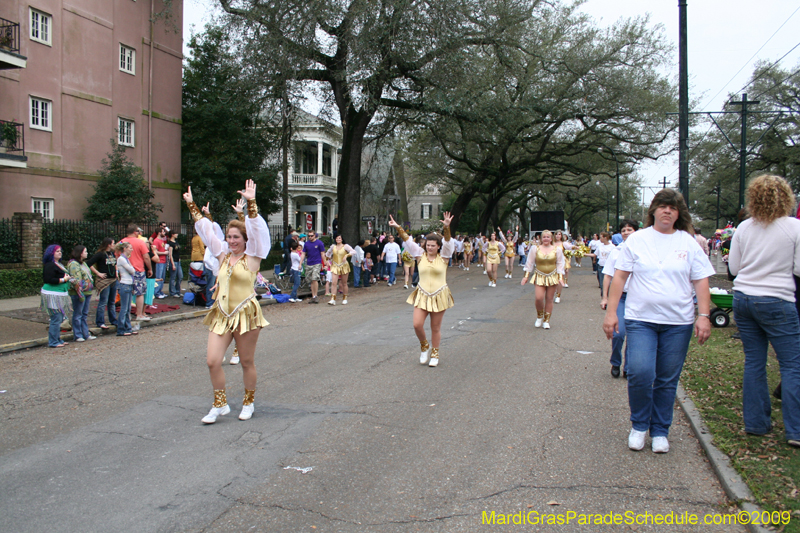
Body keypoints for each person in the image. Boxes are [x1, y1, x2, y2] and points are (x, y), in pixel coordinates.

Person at [603, 189, 714, 454]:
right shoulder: (637, 240)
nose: (667, 211)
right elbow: (620, 277)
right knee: (641, 372)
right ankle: (639, 425)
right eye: (663, 206)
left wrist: (704, 316)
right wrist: (610, 312)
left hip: (679, 322)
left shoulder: (687, 243)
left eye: (673, 208)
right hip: (642, 319)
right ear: (653, 210)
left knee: (666, 378)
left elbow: (701, 281)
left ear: (679, 214)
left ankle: (661, 430)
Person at [184, 180, 271, 424]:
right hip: (222, 313)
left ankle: (248, 401)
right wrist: (193, 207)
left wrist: (251, 204)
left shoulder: (253, 258)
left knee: (246, 362)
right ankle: (219, 404)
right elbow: (207, 232)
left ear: (245, 239)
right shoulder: (222, 256)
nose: (231, 241)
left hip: (246, 313)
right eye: (230, 236)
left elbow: (257, 232)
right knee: (212, 361)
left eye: (236, 237)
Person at [728, 174, 800, 448]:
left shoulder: (745, 228)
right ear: (786, 197)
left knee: (754, 361)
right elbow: (798, 268)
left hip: (745, 298)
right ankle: (795, 430)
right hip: (777, 298)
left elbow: (734, 268)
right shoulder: (794, 228)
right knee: (792, 365)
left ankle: (756, 422)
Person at [389, 212, 454, 367]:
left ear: (438, 247)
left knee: (435, 327)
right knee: (417, 324)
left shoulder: (444, 257)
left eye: (433, 245)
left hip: (439, 294)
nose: (430, 247)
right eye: (428, 245)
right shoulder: (419, 255)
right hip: (423, 294)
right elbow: (407, 240)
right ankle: (424, 345)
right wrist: (398, 227)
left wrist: (446, 227)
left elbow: (448, 242)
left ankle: (435, 353)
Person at [600, 220, 638, 378]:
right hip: (621, 297)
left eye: (630, 229)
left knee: (634, 335)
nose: (627, 232)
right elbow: (608, 275)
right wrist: (605, 297)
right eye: (623, 230)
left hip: (637, 298)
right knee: (618, 333)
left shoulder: (642, 250)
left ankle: (628, 367)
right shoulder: (616, 251)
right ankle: (616, 361)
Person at [520, 230, 565, 329]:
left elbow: (560, 263)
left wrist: (561, 277)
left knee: (549, 299)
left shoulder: (557, 249)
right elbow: (530, 262)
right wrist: (526, 276)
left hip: (552, 276)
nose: (546, 239)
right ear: (541, 238)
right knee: (539, 298)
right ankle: (539, 316)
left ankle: (546, 320)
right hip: (539, 275)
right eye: (544, 237)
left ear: (551, 238)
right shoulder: (535, 248)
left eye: (548, 237)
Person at [120, 224, 153, 322]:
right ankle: (139, 314)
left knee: (127, 293)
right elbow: (146, 257)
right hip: (138, 270)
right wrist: (150, 268)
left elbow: (117, 255)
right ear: (135, 232)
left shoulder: (122, 242)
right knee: (140, 293)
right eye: (138, 231)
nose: (139, 233)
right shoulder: (140, 242)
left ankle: (126, 315)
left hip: (124, 271)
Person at [41, 244, 72, 347]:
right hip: (52, 294)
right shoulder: (50, 265)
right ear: (51, 253)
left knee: (59, 317)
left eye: (60, 251)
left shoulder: (59, 264)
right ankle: (53, 341)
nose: (60, 253)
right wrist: (63, 280)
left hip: (60, 293)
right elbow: (48, 279)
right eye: (57, 251)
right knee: (56, 317)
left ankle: (57, 339)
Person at [87, 237, 117, 330]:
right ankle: (100, 322)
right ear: (108, 244)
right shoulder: (100, 254)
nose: (114, 245)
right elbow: (89, 263)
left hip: (113, 279)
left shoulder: (112, 254)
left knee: (112, 301)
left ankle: (113, 320)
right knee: (103, 301)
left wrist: (116, 272)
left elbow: (114, 264)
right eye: (113, 243)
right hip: (105, 280)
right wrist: (97, 273)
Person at [67, 245, 96, 342]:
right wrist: (80, 293)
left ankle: (85, 333)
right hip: (79, 293)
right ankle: (78, 334)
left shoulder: (83, 263)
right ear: (80, 253)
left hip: (87, 291)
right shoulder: (74, 264)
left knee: (84, 314)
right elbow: (76, 280)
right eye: (85, 251)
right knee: (78, 314)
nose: (87, 253)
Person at [326, 235, 354, 305]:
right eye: (337, 238)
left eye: (339, 238)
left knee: (344, 283)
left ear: (342, 239)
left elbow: (353, 251)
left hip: (344, 265)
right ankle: (333, 298)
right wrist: (327, 260)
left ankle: (345, 297)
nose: (338, 239)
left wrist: (346, 255)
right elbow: (327, 253)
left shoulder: (345, 246)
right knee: (334, 282)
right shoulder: (333, 247)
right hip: (335, 265)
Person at [115, 241, 135, 336]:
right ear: (125, 249)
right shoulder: (121, 259)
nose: (132, 249)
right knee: (124, 309)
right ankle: (121, 329)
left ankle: (128, 328)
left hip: (129, 284)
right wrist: (133, 269)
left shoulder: (126, 259)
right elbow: (132, 270)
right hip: (125, 284)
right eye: (130, 247)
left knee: (128, 308)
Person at [303, 230, 326, 304]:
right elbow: (303, 253)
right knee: (310, 280)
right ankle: (313, 296)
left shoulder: (319, 243)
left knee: (314, 278)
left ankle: (315, 296)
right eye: (309, 236)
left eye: (311, 236)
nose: (310, 237)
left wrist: (325, 263)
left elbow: (322, 253)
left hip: (317, 262)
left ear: (315, 235)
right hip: (309, 263)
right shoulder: (306, 244)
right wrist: (300, 263)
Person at [166, 230, 183, 297]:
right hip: (174, 261)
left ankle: (178, 290)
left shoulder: (176, 242)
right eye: (176, 233)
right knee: (173, 277)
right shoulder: (170, 244)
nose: (177, 235)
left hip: (178, 261)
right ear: (172, 234)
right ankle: (173, 292)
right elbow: (170, 255)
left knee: (180, 276)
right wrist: (172, 264)